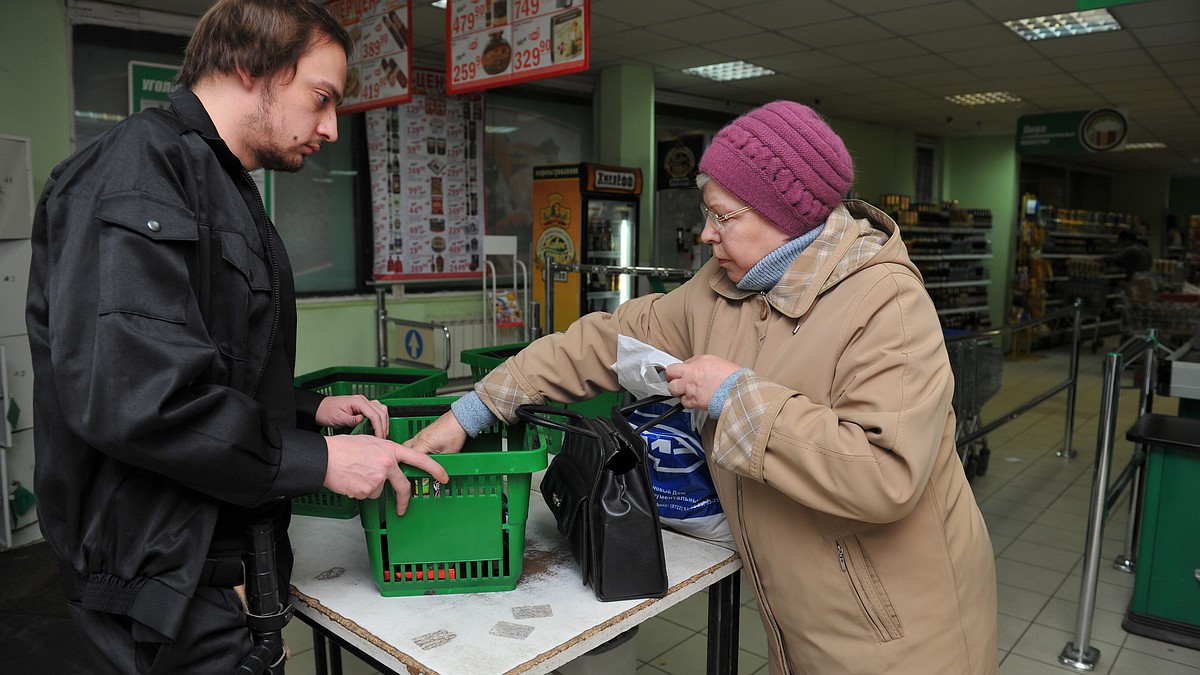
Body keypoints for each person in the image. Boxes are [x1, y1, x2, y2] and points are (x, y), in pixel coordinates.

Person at [407, 101, 998, 674]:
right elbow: (606, 343)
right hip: (802, 617)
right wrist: (473, 410)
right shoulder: (720, 291)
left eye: (724, 217)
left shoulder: (885, 302)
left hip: (899, 631)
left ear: (787, 218)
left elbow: (884, 474)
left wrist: (734, 396)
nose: (706, 236)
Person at [25, 1, 448, 672]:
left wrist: (308, 411)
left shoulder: (219, 182)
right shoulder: (138, 170)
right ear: (253, 67)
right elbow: (139, 396)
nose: (332, 128)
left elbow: (211, 358)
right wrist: (322, 462)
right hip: (166, 588)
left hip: (222, 574)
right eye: (322, 98)